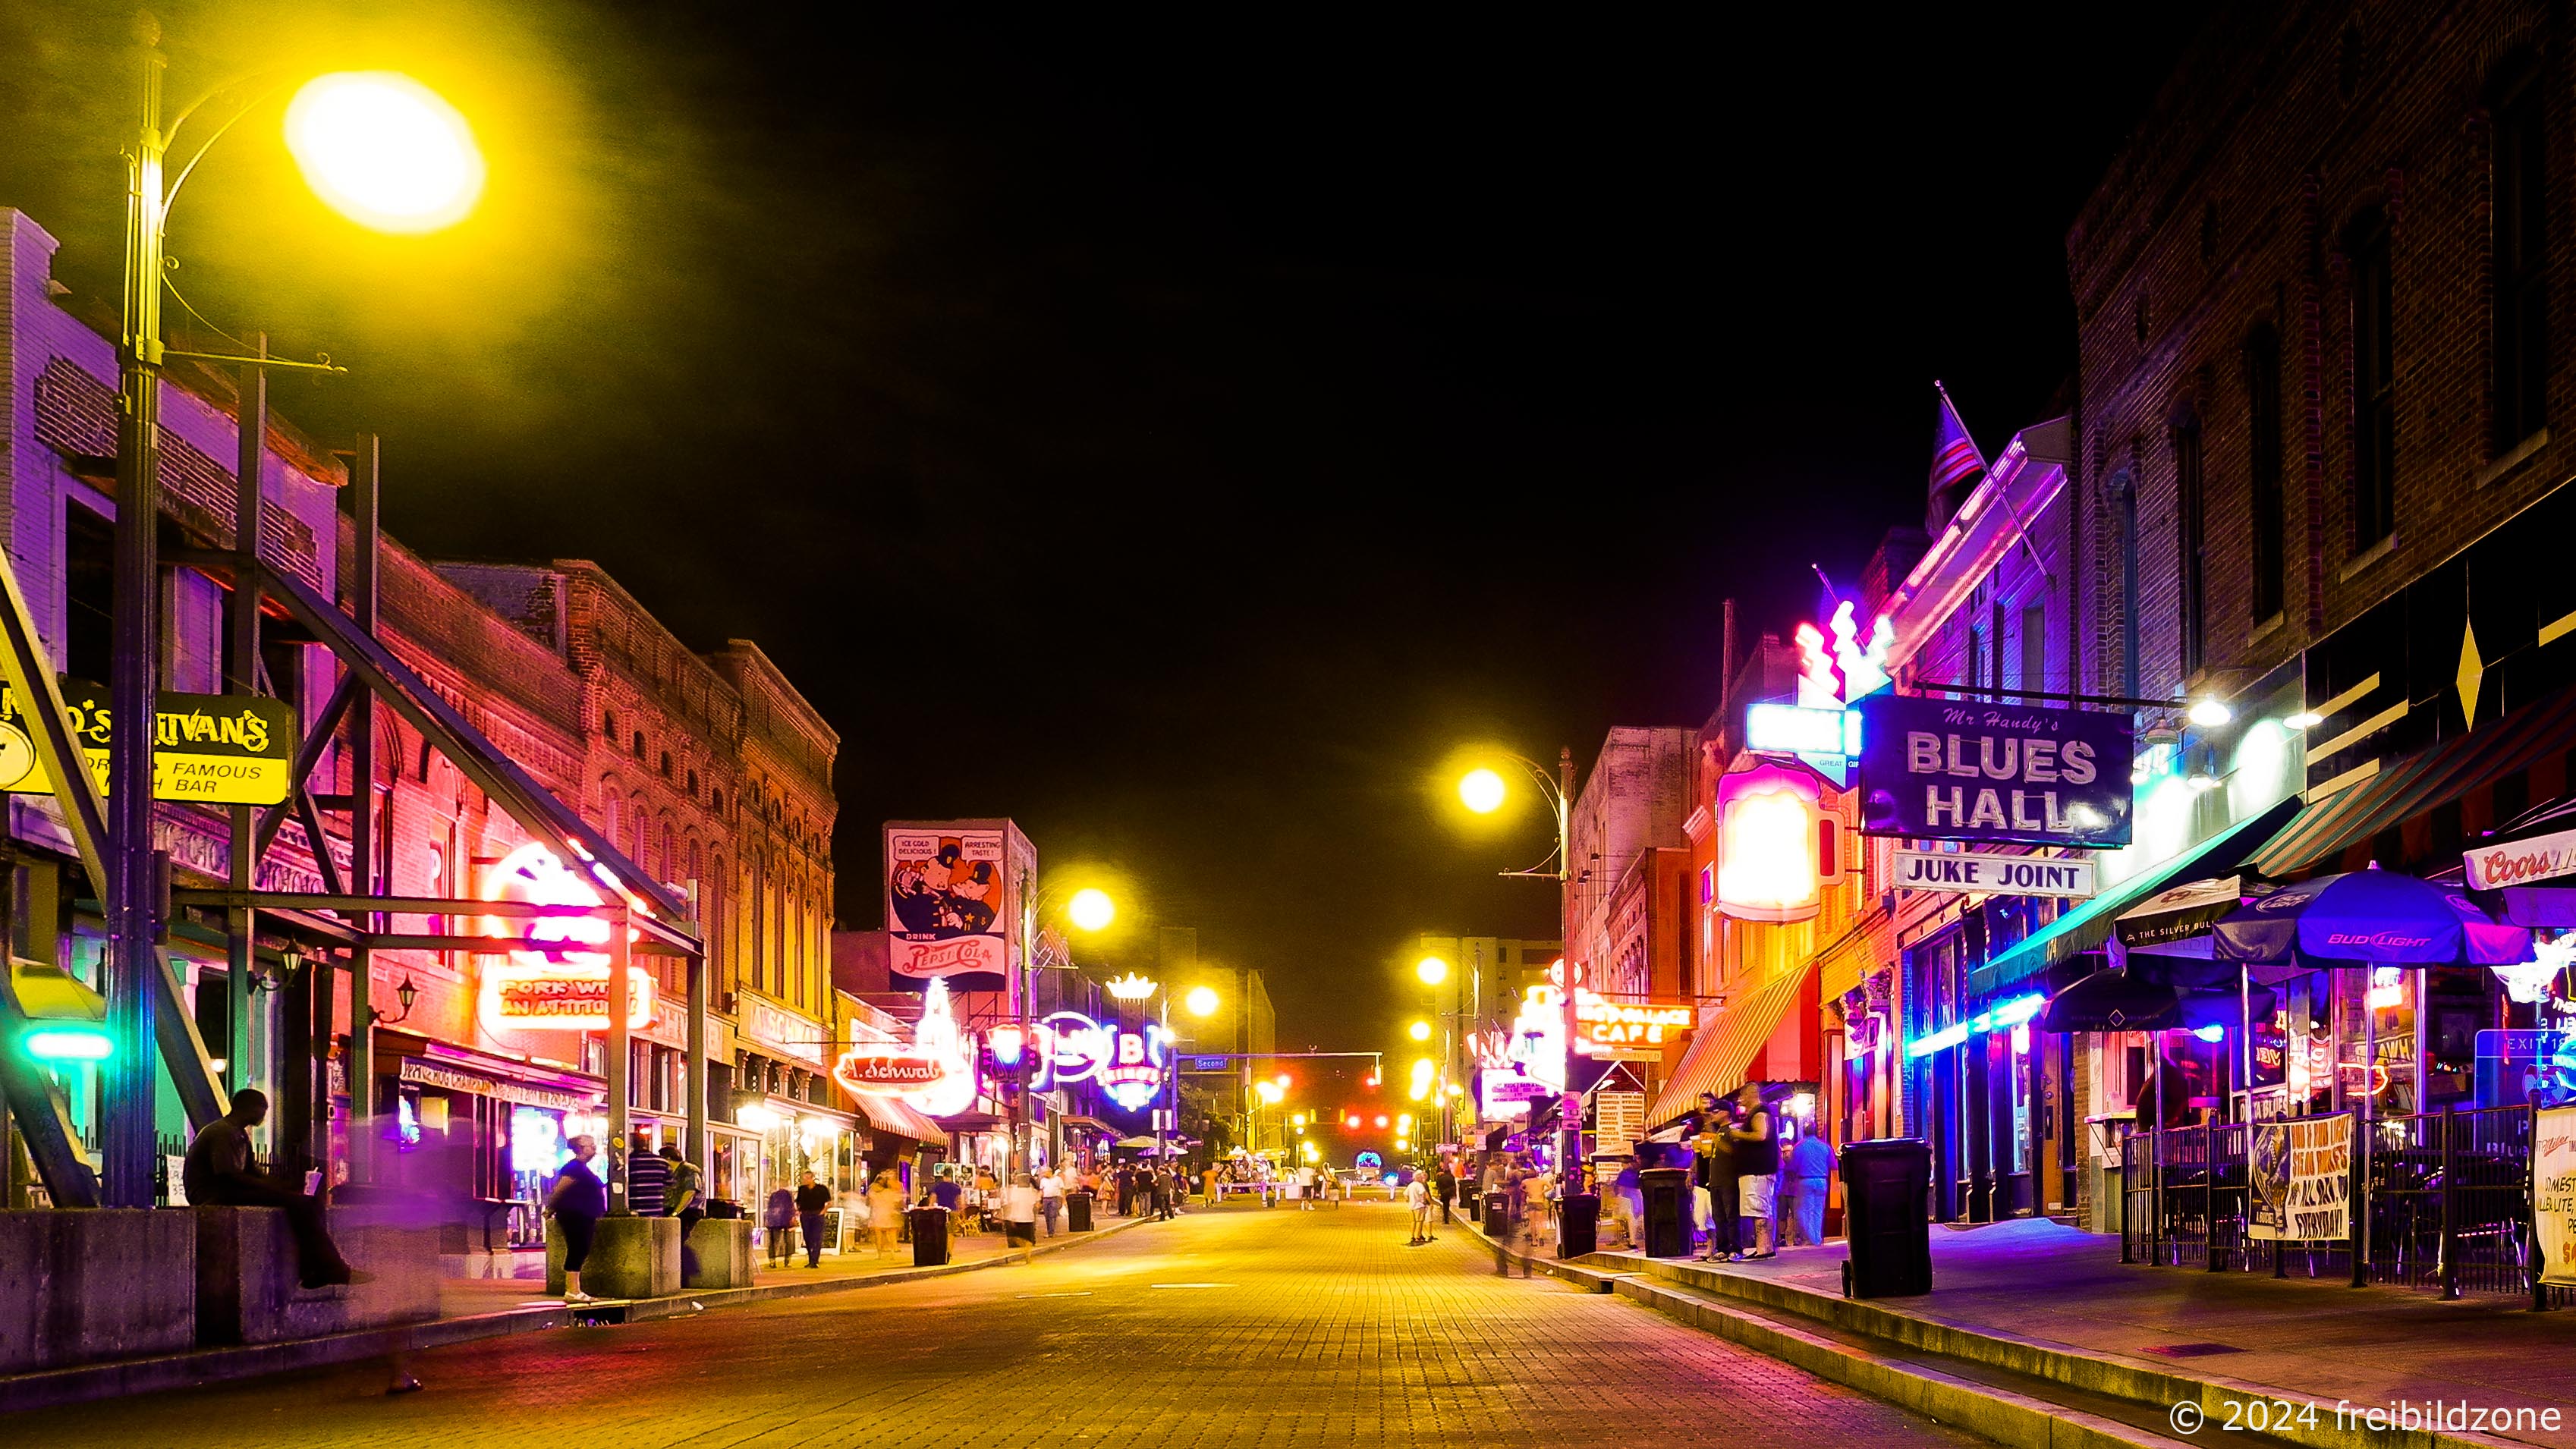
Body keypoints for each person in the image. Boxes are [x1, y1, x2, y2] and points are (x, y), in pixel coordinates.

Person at [182, 1088, 357, 1290]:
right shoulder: (223, 1132)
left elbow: (252, 1171)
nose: (263, 1116)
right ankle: (326, 1267)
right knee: (300, 1204)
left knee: (308, 1202)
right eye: (262, 1110)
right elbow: (228, 1174)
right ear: (249, 1109)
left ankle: (317, 1265)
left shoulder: (238, 1134)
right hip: (213, 1194)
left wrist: (281, 1187)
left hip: (226, 1190)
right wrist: (276, 1189)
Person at [549, 1135, 608, 1303]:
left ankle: (575, 1289)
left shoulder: (581, 1168)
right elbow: (561, 1188)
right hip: (576, 1214)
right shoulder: (574, 1168)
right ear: (581, 1147)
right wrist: (551, 1207)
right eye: (591, 1145)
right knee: (578, 1248)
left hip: (582, 1214)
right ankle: (573, 1290)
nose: (594, 1148)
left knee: (580, 1249)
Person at [1731, 1084, 1779, 1259]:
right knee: (1758, 1209)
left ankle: (1764, 1248)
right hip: (1754, 1172)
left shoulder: (1760, 1113)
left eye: (1743, 1095)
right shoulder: (1755, 1114)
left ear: (1752, 1094)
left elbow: (1761, 1135)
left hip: (1758, 1172)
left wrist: (1738, 1134)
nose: (1740, 1100)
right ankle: (1763, 1246)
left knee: (1759, 1209)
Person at [1784, 1126, 1833, 1248]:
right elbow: (1833, 1164)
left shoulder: (1799, 1147)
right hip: (1822, 1180)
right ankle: (1816, 1238)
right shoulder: (1825, 1146)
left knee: (1804, 1211)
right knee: (1818, 1211)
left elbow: (1792, 1166)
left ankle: (1810, 1239)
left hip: (1805, 1180)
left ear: (1803, 1132)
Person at [662, 1144, 703, 1280]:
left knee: (680, 1241)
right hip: (673, 1209)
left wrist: (675, 1213)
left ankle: (685, 1274)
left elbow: (689, 1193)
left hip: (688, 1211)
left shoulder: (689, 1170)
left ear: (667, 1158)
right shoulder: (671, 1173)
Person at [624, 1130, 668, 1219]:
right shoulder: (662, 1162)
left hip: (634, 1209)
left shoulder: (628, 1162)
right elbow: (670, 1184)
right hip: (656, 1208)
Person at [795, 1170, 832, 1267]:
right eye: (804, 1178)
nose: (806, 1180)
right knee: (807, 1237)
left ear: (813, 1178)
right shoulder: (802, 1189)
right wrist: (799, 1210)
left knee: (817, 1237)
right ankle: (811, 1258)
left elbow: (829, 1202)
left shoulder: (821, 1189)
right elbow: (798, 1201)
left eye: (808, 1178)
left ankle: (815, 1260)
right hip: (806, 1215)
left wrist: (823, 1212)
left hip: (817, 1214)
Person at [867, 1169, 907, 1257]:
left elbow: (869, 1202)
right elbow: (899, 1201)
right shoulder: (890, 1193)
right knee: (892, 1234)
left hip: (878, 1215)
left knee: (879, 1235)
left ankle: (879, 1254)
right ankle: (892, 1251)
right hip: (889, 1215)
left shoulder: (873, 1193)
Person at [764, 1182, 797, 1267]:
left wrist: (768, 1220)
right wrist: (793, 1217)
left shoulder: (773, 1195)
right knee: (788, 1240)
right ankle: (788, 1260)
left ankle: (772, 1261)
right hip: (786, 1217)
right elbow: (791, 1207)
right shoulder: (788, 1195)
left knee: (773, 1241)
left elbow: (770, 1208)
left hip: (774, 1220)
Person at [1404, 1171, 1432, 1245]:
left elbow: (1405, 1194)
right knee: (1419, 1221)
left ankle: (1412, 1236)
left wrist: (1408, 1200)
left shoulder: (1411, 1185)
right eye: (1421, 1177)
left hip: (1411, 1206)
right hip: (1419, 1206)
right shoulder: (1419, 1185)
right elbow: (1424, 1194)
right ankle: (1417, 1236)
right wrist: (1425, 1201)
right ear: (1418, 1177)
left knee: (1413, 1222)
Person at [1038, 1166, 1066, 1237]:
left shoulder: (1058, 1179)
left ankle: (1051, 1232)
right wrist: (1038, 1200)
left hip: (1055, 1199)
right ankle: (1049, 1231)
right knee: (1047, 1216)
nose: (1044, 1174)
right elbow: (1041, 1191)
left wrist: (1064, 1200)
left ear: (1050, 1172)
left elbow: (1062, 1190)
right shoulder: (1043, 1180)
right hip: (1046, 1199)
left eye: (1045, 1172)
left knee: (1052, 1215)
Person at [1434, 1158, 1458, 1225]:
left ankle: (1445, 1217)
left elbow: (1437, 1185)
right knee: (1447, 1204)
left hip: (1443, 1192)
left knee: (1445, 1205)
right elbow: (1454, 1185)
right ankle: (1446, 1217)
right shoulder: (1451, 1177)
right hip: (1449, 1192)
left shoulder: (1440, 1178)